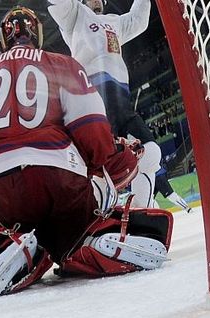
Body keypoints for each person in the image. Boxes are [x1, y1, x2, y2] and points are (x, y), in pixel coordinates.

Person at [0, 5, 168, 298]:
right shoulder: (62, 63)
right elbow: (91, 123)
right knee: (77, 225)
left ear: (3, 39)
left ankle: (17, 247)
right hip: (60, 178)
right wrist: (106, 161)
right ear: (39, 33)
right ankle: (88, 242)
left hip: (3, 190)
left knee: (13, 224)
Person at [48, 0, 162, 208]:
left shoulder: (114, 22)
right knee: (99, 168)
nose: (97, 1)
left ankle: (141, 210)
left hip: (121, 102)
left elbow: (139, 20)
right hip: (93, 104)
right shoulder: (74, 16)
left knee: (152, 153)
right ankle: (97, 213)